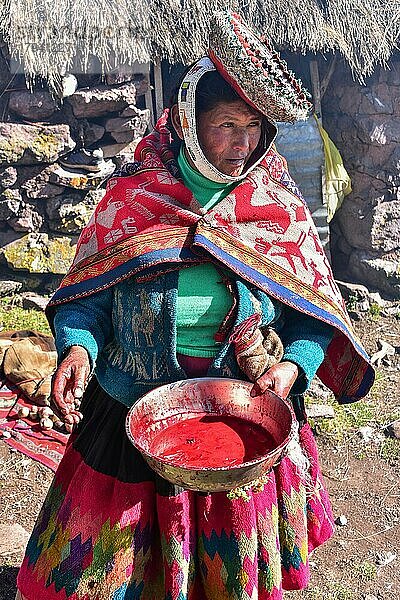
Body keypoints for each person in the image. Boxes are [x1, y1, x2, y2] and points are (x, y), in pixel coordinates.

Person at [16, 11, 374, 600]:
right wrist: (78, 348)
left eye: (254, 127)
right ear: (187, 123)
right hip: (134, 400)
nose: (243, 144)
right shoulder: (133, 200)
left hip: (239, 410)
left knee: (228, 571)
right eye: (226, 125)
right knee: (112, 574)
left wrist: (294, 366)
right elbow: (88, 296)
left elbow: (312, 313)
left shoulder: (276, 205)